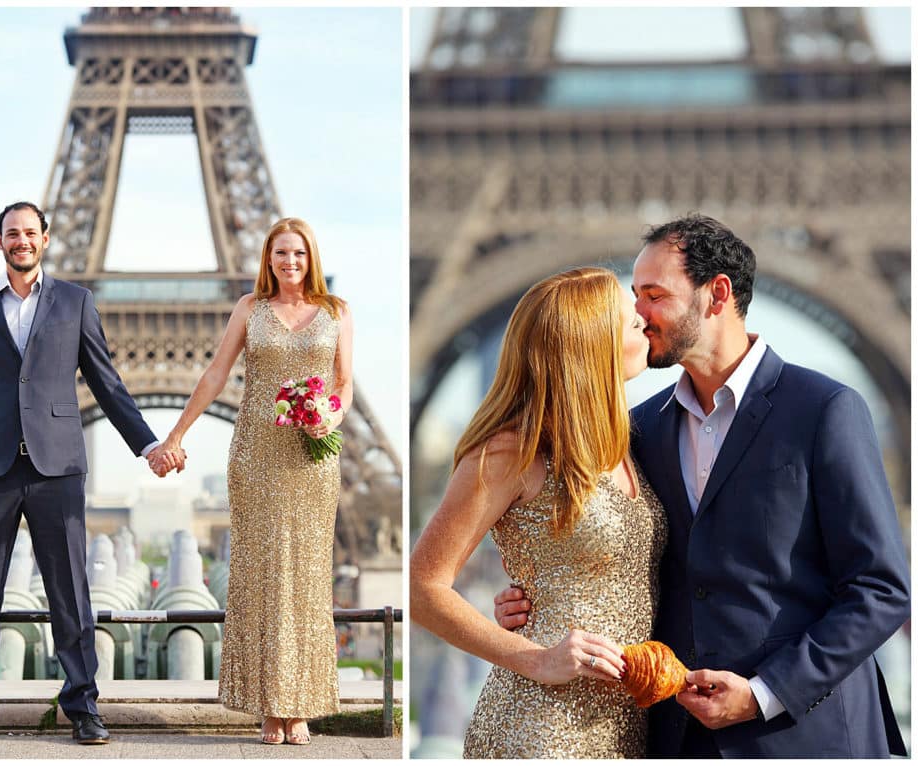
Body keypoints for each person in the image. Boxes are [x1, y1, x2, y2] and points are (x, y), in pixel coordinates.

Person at [493, 214, 910, 757]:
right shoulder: (638, 431)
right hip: (677, 735)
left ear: (717, 295)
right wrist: (536, 598)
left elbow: (881, 589)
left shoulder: (826, 411)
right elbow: (615, 560)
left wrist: (765, 693)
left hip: (806, 734)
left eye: (653, 295)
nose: (637, 315)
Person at [0, 202, 181, 747]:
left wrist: (148, 445)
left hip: (57, 468)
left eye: (30, 232)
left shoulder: (76, 301)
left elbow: (108, 384)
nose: (21, 240)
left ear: (45, 239)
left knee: (71, 593)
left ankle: (83, 705)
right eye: (12, 233)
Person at [410, 268, 668, 758]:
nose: (641, 317)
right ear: (590, 341)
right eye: (625, 315)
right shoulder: (513, 452)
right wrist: (536, 659)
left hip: (628, 725)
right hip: (543, 727)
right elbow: (421, 587)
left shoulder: (630, 443)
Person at [156, 217, 352, 746]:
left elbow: (343, 384)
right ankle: (270, 704)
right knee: (260, 573)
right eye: (281, 253)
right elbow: (216, 374)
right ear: (268, 259)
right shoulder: (250, 309)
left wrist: (326, 418)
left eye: (299, 253)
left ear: (312, 258)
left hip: (311, 458)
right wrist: (175, 434)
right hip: (256, 455)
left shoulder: (337, 313)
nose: (290, 262)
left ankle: (302, 702)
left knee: (308, 575)